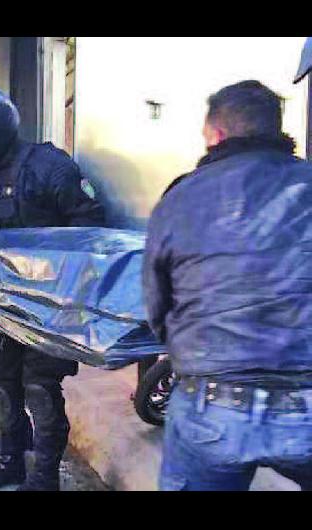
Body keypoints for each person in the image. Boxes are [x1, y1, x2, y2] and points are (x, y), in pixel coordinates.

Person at [143, 80, 312, 491]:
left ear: (216, 135)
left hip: (212, 406)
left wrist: (185, 348)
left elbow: (156, 304)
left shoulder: (180, 199)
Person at [0, 88, 105, 490]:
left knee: (41, 391)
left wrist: (59, 277)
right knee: (0, 385)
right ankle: (9, 462)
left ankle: (45, 478)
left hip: (48, 305)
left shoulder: (51, 168)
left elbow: (91, 226)